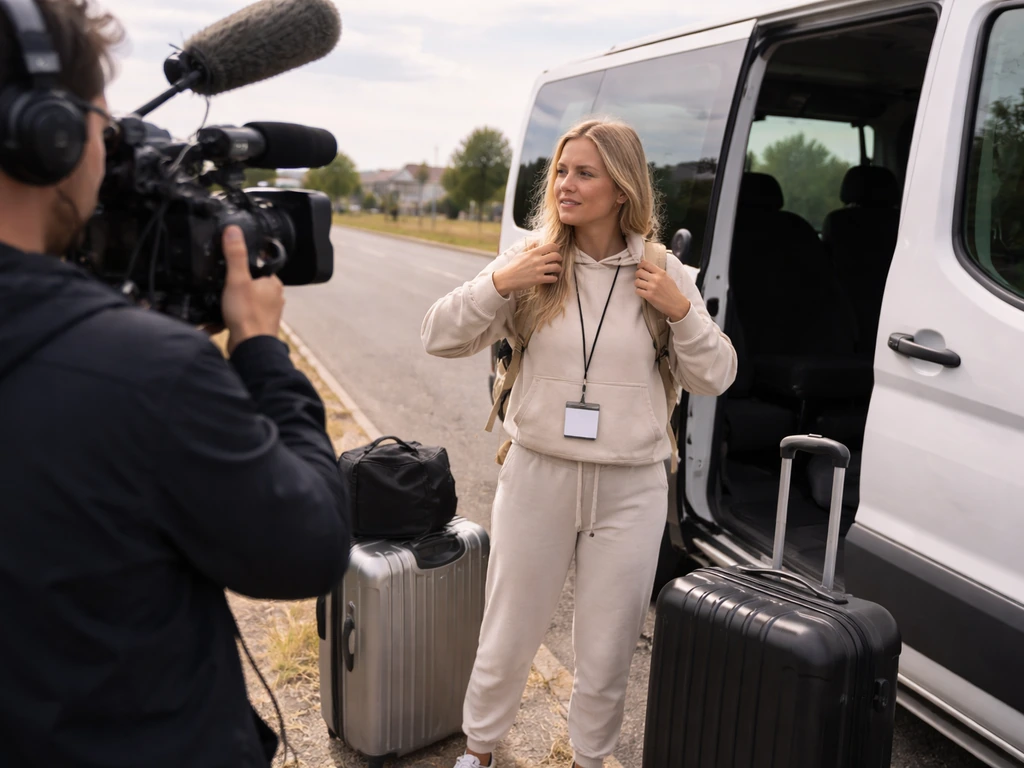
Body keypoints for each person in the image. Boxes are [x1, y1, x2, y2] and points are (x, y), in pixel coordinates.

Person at [0, 1, 350, 765]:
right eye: (99, 114)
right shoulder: (145, 378)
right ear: (44, 130)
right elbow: (310, 547)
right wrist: (258, 347)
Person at [421, 118, 737, 768]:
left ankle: (590, 760)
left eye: (584, 172)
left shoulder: (664, 272)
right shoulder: (530, 262)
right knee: (508, 631)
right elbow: (438, 335)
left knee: (608, 647)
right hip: (539, 475)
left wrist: (680, 311)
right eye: (562, 171)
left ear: (621, 187)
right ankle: (478, 751)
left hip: (632, 486)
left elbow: (717, 374)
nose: (565, 184)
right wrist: (499, 284)